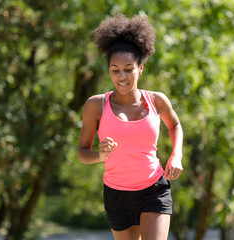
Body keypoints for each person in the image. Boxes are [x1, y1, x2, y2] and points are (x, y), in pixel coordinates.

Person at [78, 14, 184, 240]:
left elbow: (175, 125)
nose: (122, 76)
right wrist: (100, 154)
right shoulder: (96, 105)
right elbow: (82, 153)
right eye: (115, 70)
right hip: (117, 194)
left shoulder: (156, 101)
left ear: (141, 68)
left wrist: (177, 155)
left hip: (153, 188)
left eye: (128, 69)